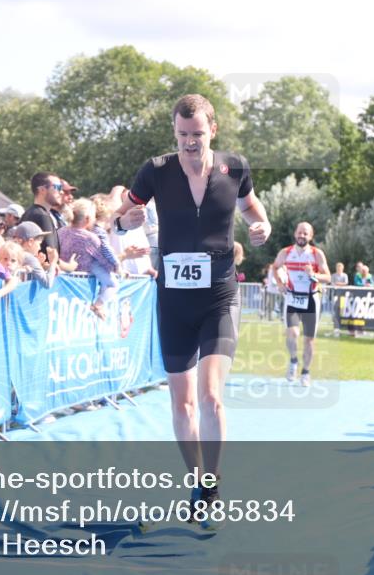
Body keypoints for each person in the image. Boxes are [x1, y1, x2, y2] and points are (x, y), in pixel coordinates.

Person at [113, 93, 271, 526]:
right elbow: (125, 212)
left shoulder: (234, 167)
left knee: (212, 397)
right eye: (182, 135)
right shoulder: (156, 170)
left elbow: (252, 206)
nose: (189, 143)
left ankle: (213, 483)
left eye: (197, 135)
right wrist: (124, 221)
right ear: (174, 132)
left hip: (219, 292)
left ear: (212, 131)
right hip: (174, 299)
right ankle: (197, 480)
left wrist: (263, 225)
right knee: (182, 406)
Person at [272, 221, 331, 386]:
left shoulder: (316, 254)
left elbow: (328, 277)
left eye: (305, 233)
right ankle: (293, 361)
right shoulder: (286, 252)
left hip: (311, 299)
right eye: (300, 232)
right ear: (295, 233)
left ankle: (305, 372)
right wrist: (279, 283)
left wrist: (314, 275)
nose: (302, 236)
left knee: (309, 339)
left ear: (311, 236)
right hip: (292, 298)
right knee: (292, 333)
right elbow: (275, 267)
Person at [59, 198, 120, 320]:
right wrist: (116, 267)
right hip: (81, 287)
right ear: (87, 219)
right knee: (113, 284)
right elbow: (103, 260)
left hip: (62, 282)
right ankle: (98, 305)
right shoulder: (90, 238)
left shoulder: (60, 232)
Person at [21, 172, 67, 258]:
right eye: (57, 187)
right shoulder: (43, 216)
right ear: (42, 190)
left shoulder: (27, 213)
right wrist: (70, 266)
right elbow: (51, 257)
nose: (61, 192)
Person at [8, 221, 58, 287]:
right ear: (30, 242)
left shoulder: (10, 252)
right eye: (39, 244)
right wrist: (53, 262)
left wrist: (40, 265)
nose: (39, 248)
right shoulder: (29, 257)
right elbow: (47, 283)